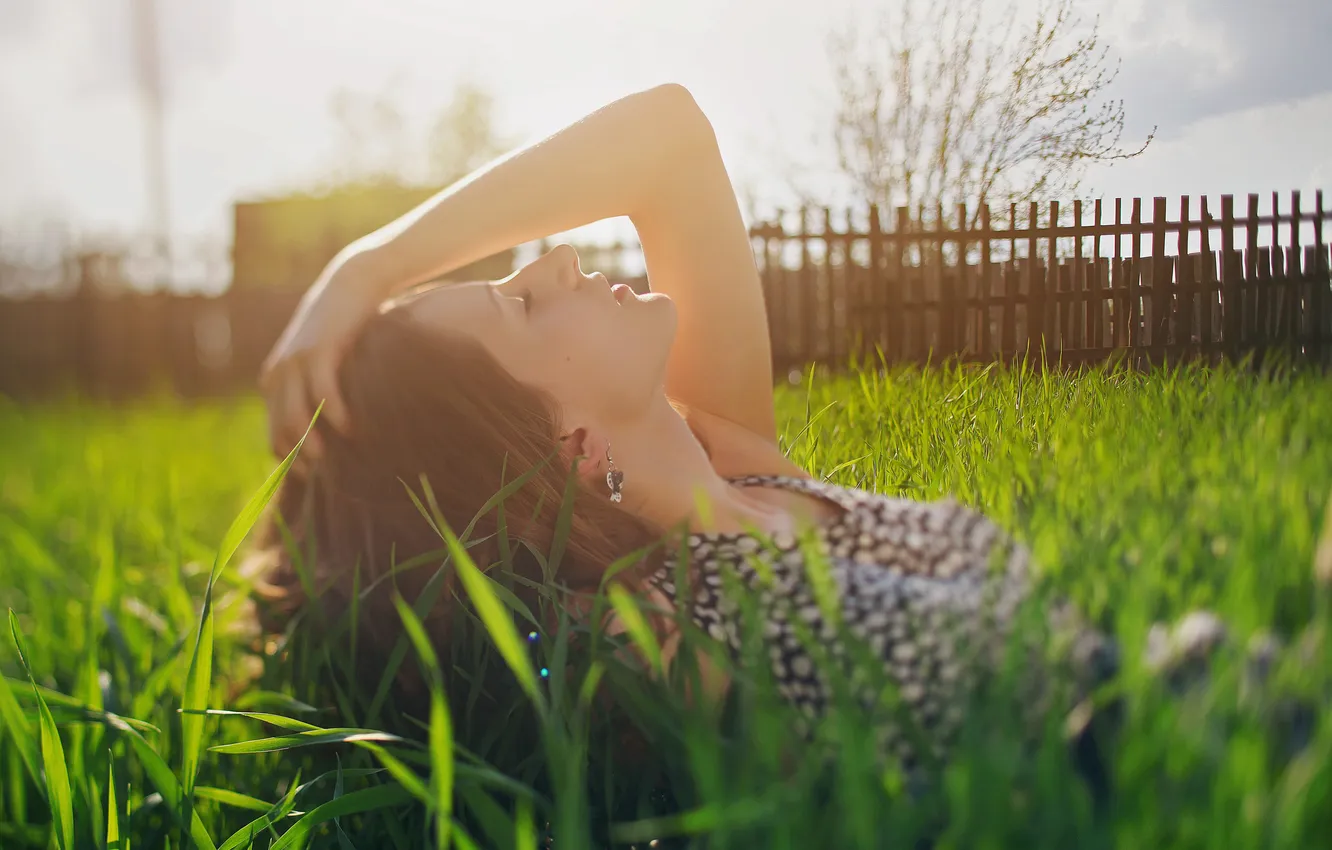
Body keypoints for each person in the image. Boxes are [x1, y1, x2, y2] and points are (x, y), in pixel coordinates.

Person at [253, 84, 1311, 781]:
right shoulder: (646, 630)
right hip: (1173, 761)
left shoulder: (736, 460)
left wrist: (370, 266)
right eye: (522, 306)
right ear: (562, 449)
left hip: (1219, 685)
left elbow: (667, 136)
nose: (558, 261)